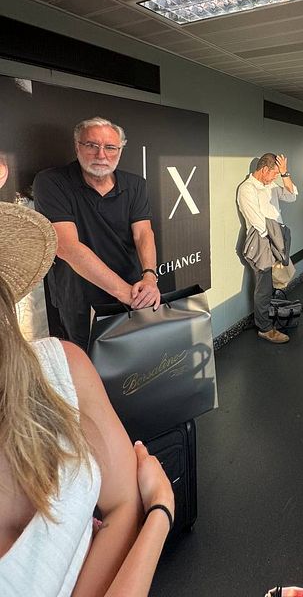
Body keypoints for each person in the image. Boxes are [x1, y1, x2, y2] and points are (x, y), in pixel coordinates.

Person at [0, 201, 174, 597]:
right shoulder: (58, 188)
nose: (102, 162)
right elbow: (68, 245)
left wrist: (147, 278)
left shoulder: (61, 366)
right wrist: (161, 509)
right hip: (86, 305)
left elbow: (122, 505)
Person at [33, 117, 161, 349]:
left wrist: (150, 277)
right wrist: (127, 294)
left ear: (120, 150)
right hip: (81, 299)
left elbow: (143, 233)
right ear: (77, 146)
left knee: (138, 358)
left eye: (110, 147)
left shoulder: (135, 184)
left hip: (134, 288)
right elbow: (67, 247)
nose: (101, 155)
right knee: (90, 362)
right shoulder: (51, 182)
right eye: (92, 145)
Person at [237, 153, 297, 344]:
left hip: (275, 239)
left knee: (272, 283)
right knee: (263, 287)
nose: (275, 178)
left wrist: (285, 173)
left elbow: (291, 196)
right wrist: (277, 244)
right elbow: (259, 223)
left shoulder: (270, 185)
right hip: (262, 241)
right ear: (264, 170)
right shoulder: (247, 189)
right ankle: (265, 328)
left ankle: (269, 318)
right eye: (274, 174)